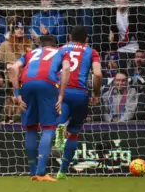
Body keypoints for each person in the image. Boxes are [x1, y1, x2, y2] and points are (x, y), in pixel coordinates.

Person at [10, 35, 70, 181]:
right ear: (54, 45)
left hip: (27, 84)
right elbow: (67, 69)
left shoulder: (30, 53)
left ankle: (32, 171)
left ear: (40, 45)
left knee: (30, 128)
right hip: (46, 83)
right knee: (48, 128)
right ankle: (41, 172)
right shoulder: (61, 52)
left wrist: (17, 95)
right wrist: (61, 95)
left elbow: (14, 67)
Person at [53, 26, 103, 180]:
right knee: (74, 132)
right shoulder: (91, 51)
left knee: (61, 119)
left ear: (69, 37)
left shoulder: (61, 49)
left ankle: (59, 131)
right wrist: (96, 93)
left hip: (63, 90)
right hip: (81, 94)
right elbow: (98, 74)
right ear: (86, 39)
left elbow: (52, 70)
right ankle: (62, 171)